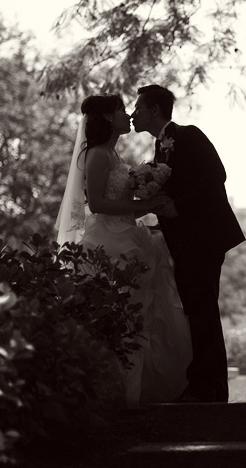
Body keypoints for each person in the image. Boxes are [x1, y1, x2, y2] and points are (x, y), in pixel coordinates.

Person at [55, 94, 192, 406]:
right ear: (106, 118)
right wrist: (144, 204)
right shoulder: (98, 156)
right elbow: (98, 204)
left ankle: (139, 390)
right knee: (125, 314)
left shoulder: (113, 155)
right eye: (119, 110)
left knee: (143, 315)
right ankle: (121, 392)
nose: (127, 114)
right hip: (110, 240)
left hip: (130, 235)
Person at [131, 84, 246, 403]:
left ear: (155, 110)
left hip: (204, 238)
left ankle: (209, 388)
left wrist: (177, 206)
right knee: (197, 311)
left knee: (204, 309)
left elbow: (215, 176)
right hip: (183, 242)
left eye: (138, 107)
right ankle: (205, 385)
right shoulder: (158, 149)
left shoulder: (189, 135)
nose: (132, 113)